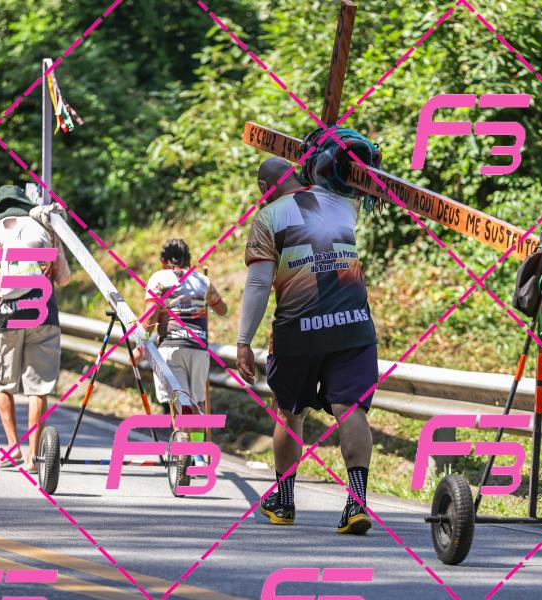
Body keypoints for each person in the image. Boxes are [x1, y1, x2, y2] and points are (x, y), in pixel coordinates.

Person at [237, 156, 377, 535]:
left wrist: (243, 340)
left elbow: (258, 284)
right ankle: (357, 503)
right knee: (350, 409)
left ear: (264, 188)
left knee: (289, 411)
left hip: (299, 329)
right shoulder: (343, 204)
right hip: (353, 325)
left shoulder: (268, 217)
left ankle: (284, 502)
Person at [0, 184, 70, 473]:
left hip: (6, 316)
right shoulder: (44, 231)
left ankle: (12, 446)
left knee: (3, 384)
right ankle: (34, 456)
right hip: (43, 314)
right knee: (38, 388)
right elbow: (63, 277)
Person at [139, 239, 227, 434]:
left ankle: (183, 449)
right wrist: (209, 299)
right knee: (197, 405)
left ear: (163, 261)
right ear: (188, 260)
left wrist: (140, 344)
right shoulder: (202, 281)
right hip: (198, 348)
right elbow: (222, 309)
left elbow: (151, 314)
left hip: (171, 347)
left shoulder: (159, 278)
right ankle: (197, 450)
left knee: (180, 405)